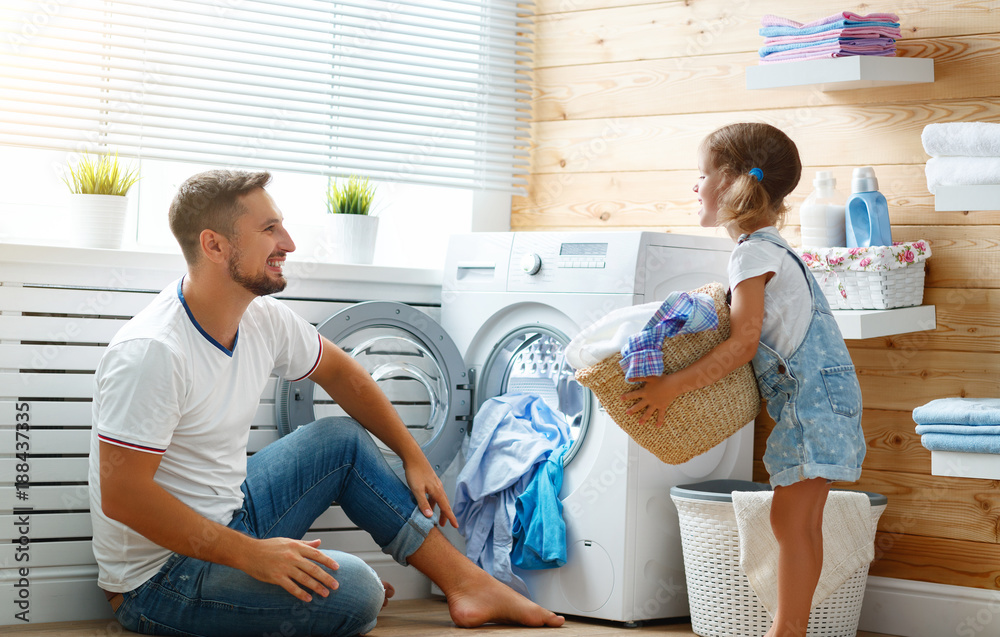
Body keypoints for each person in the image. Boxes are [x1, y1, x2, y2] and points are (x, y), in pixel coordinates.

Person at [87, 170, 565, 636]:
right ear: (214, 245)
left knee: (339, 439)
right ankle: (338, 589)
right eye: (269, 229)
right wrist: (254, 556)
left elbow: (341, 372)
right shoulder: (153, 351)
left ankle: (468, 584)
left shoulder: (260, 318)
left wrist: (412, 455)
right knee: (356, 590)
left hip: (231, 517)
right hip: (160, 580)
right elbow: (124, 496)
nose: (289, 243)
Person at [622, 123, 866, 637]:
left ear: (732, 179)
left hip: (808, 404)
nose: (696, 185)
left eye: (703, 173)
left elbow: (742, 344)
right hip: (825, 398)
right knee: (798, 522)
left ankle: (786, 632)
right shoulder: (773, 247)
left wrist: (671, 385)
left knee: (790, 521)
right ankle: (790, 629)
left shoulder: (752, 253)